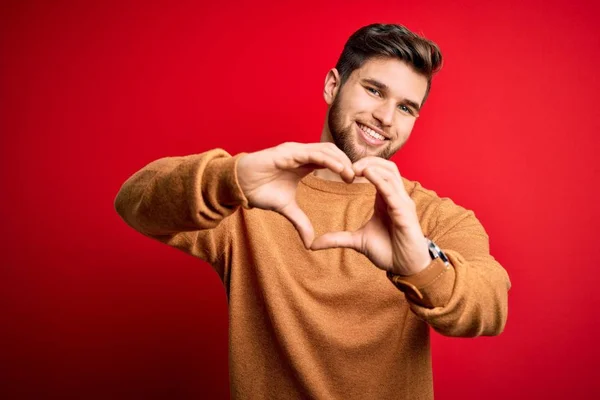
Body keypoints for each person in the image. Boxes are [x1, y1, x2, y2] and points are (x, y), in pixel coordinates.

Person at [115, 23, 511, 400]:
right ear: (332, 85)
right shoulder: (251, 195)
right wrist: (230, 175)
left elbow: (489, 305)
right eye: (374, 90)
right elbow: (135, 201)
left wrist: (417, 264)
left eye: (406, 108)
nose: (386, 118)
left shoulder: (432, 215)